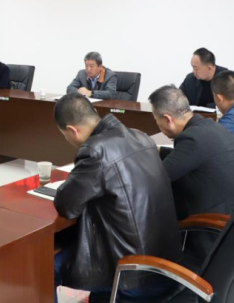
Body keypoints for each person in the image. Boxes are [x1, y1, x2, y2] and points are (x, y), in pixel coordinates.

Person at [52, 93, 180, 300]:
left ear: (72, 130)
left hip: (132, 272)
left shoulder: (95, 151)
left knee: (44, 266)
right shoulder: (140, 136)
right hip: (165, 261)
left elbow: (67, 206)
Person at [149, 85, 234, 218]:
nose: (158, 126)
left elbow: (157, 179)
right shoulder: (209, 126)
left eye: (157, 121)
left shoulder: (191, 138)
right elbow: (188, 158)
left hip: (223, 221)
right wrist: (159, 150)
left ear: (167, 119)